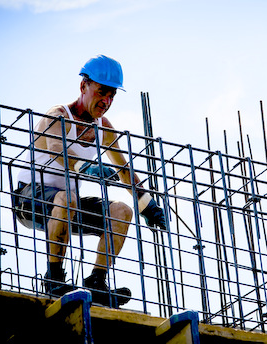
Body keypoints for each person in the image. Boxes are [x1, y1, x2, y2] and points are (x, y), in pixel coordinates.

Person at [14, 54, 166, 306]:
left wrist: (146, 203)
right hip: (30, 199)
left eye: (112, 96)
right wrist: (88, 167)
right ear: (83, 86)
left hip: (66, 207)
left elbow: (124, 169)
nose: (106, 101)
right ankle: (54, 280)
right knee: (68, 198)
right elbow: (57, 150)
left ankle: (96, 281)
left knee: (120, 211)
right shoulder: (58, 115)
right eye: (101, 92)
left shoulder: (103, 127)